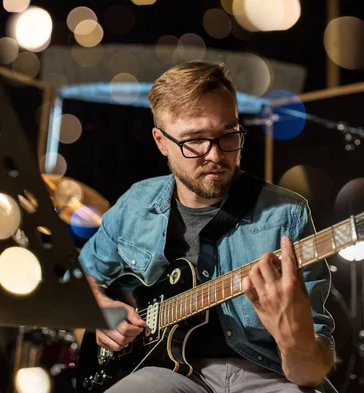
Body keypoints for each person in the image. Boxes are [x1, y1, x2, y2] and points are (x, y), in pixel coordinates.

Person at [79, 61, 337, 393]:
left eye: (228, 134)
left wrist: (295, 340)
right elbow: (79, 275)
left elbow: (311, 373)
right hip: (170, 374)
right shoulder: (136, 204)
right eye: (194, 141)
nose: (215, 154)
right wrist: (101, 309)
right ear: (161, 142)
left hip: (271, 375)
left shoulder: (286, 214)